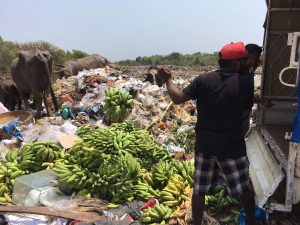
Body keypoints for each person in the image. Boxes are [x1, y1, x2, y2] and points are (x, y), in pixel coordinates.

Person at [157, 42, 257, 225]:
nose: (247, 63)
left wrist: (167, 80)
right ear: (236, 63)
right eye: (244, 60)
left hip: (205, 145)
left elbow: (178, 98)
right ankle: (251, 221)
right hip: (231, 146)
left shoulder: (203, 79)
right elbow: (245, 113)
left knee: (199, 189)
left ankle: (196, 222)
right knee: (243, 188)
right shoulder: (245, 83)